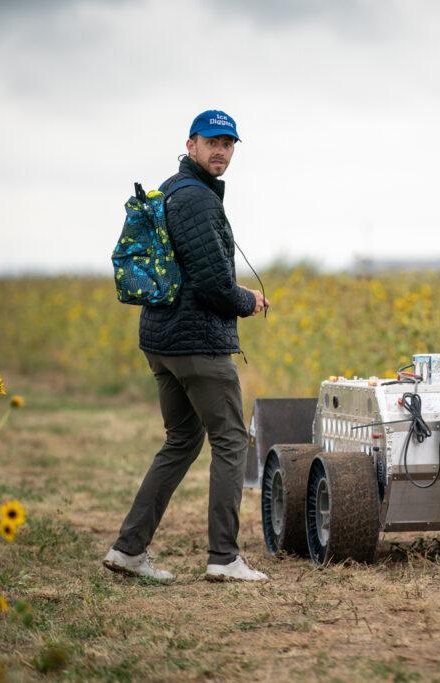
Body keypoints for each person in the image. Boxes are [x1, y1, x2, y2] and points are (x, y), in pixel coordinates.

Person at [103, 109, 269, 583]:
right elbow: (214, 283)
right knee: (232, 439)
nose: (221, 151)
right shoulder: (195, 199)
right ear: (191, 144)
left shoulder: (174, 190)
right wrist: (248, 301)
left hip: (162, 340)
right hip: (195, 342)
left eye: (229, 143)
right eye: (212, 142)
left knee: (181, 441)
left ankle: (128, 550)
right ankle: (224, 558)